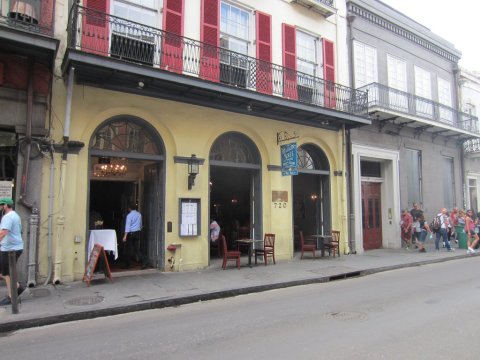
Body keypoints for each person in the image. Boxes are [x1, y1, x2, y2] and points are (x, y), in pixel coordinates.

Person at [0, 197, 24, 306]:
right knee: (4, 272)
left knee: (7, 273)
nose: (0, 206)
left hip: (10, 249)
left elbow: (3, 232)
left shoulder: (8, 217)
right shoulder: (15, 215)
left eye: (1, 204)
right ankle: (17, 287)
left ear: (5, 205)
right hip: (13, 247)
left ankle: (12, 295)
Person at [122, 203, 147, 269]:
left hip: (131, 234)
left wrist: (125, 236)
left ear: (129, 208)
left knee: (129, 249)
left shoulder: (129, 215)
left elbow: (128, 226)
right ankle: (144, 260)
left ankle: (128, 264)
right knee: (136, 249)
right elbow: (140, 224)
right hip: (137, 233)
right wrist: (140, 229)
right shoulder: (139, 214)